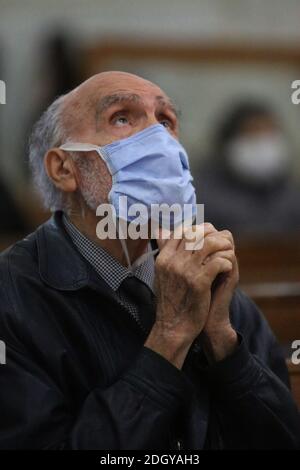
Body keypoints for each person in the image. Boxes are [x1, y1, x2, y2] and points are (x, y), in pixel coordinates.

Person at [0, 72, 299, 450]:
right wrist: (169, 338)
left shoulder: (209, 278)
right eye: (122, 118)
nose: (159, 140)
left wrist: (224, 345)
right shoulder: (12, 299)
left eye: (166, 121)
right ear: (64, 169)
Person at [194, 102, 300, 237]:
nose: (262, 143)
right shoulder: (201, 198)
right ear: (229, 142)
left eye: (269, 133)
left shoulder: (292, 195)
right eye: (253, 132)